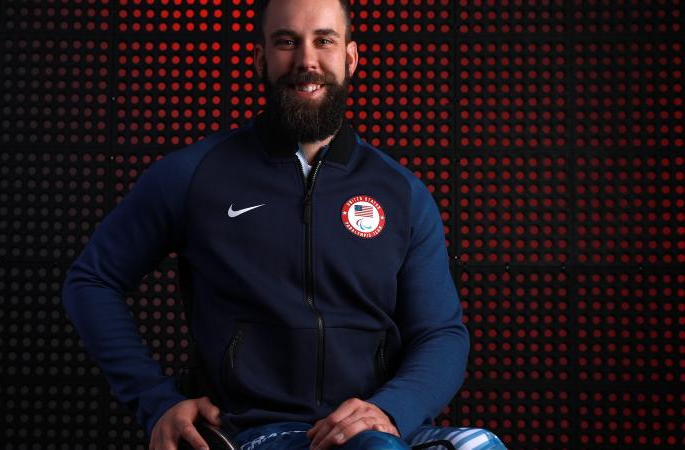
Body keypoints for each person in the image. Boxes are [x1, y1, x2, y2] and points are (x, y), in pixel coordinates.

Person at [62, 0, 507, 449]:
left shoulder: (402, 193)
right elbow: (92, 280)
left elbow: (441, 334)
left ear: (350, 57)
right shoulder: (193, 176)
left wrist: (391, 409)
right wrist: (154, 401)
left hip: (379, 429)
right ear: (260, 57)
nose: (306, 60)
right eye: (286, 42)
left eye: (324, 41)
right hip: (254, 432)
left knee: (480, 445)